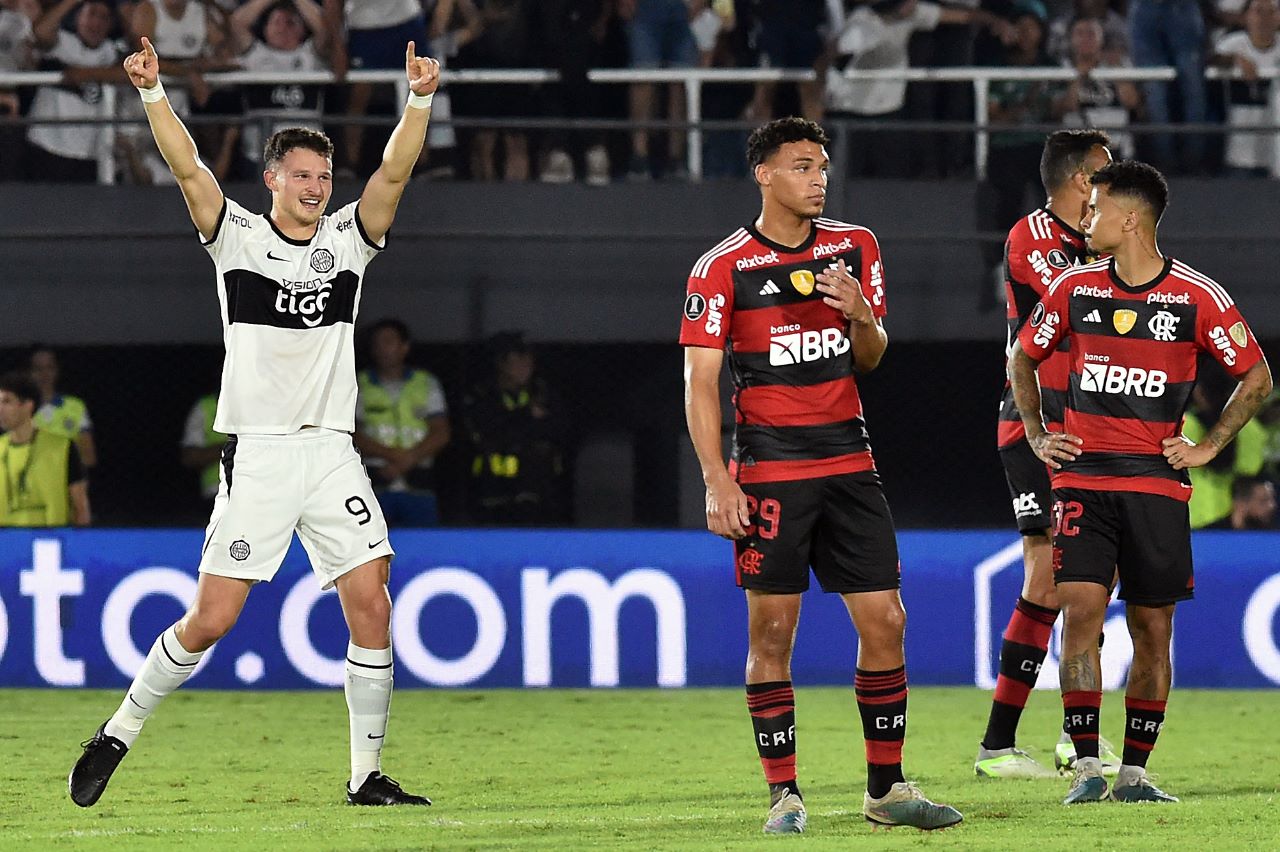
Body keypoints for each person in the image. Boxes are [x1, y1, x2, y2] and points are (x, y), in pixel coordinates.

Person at [68, 35, 440, 809]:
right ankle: (117, 732)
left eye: (323, 175)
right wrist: (150, 93)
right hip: (262, 455)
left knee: (373, 603)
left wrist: (419, 100)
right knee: (212, 619)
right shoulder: (235, 236)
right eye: (301, 174)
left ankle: (365, 776)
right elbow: (186, 168)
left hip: (333, 452)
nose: (316, 186)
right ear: (271, 179)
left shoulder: (348, 242)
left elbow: (395, 172)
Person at [680, 117, 962, 834]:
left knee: (887, 621)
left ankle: (886, 791)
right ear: (764, 174)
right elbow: (700, 382)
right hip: (771, 471)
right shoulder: (723, 267)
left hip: (850, 462)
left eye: (823, 166)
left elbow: (870, 356)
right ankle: (785, 795)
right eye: (802, 165)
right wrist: (718, 480)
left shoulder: (854, 247)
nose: (818, 177)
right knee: (773, 632)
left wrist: (863, 316)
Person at [1009, 160, 1273, 804]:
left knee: (1154, 629)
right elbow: (1024, 356)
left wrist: (1209, 446)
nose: (1087, 219)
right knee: (1081, 614)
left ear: (1130, 219)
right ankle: (1089, 767)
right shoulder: (1074, 288)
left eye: (1096, 209)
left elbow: (1257, 375)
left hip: (1156, 485)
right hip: (1085, 483)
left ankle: (1135, 772)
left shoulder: (1195, 296)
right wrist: (1040, 433)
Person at [976, 129, 1118, 780]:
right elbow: (1085, 301)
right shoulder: (1030, 237)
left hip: (1088, 426)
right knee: (1046, 573)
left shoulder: (1104, 242)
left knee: (1091, 579)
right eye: (1106, 172)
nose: (1115, 183)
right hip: (1031, 424)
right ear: (1081, 181)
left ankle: (1073, 737)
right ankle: (998, 746)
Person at [461, 332, 569, 526]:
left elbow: (558, 430)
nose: (525, 367)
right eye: (517, 360)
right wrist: (526, 416)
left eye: (528, 360)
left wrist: (522, 425)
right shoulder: (481, 396)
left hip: (537, 490)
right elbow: (487, 433)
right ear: (500, 364)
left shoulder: (544, 394)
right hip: (493, 490)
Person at [354, 318, 450, 527]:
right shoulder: (359, 383)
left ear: (404, 347)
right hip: (374, 483)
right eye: (377, 343)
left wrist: (409, 459)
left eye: (389, 342)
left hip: (419, 483)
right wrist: (394, 457)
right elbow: (352, 434)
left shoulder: (425, 383)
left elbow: (441, 432)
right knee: (370, 549)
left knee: (423, 549)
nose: (383, 348)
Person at [25, 0, 123, 182]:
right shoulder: (61, 42)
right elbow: (40, 32)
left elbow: (133, 71)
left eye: (104, 18)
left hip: (88, 154)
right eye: (91, 14)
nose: (96, 24)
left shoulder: (111, 52)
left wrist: (86, 73)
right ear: (78, 17)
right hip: (47, 147)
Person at [0, 371, 91, 527]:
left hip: (51, 540)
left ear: (28, 405)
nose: (0, 409)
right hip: (6, 544)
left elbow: (80, 507)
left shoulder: (62, 447)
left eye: (7, 402)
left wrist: (79, 545)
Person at [1211, 0, 1280, 178]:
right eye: (1258, 12)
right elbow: (1212, 59)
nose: (1264, 18)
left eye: (1271, 12)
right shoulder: (1233, 43)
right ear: (1246, 16)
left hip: (1275, 156)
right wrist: (1235, 59)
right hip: (1239, 155)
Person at [30, 345, 96, 469]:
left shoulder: (75, 407)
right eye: (38, 369)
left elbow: (89, 457)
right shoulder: (17, 408)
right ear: (29, 372)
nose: (44, 374)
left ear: (57, 370)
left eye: (49, 367)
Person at [178, 389, 224, 502]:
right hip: (217, 493)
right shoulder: (205, 407)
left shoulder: (263, 405)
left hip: (260, 492)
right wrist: (228, 448)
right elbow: (189, 457)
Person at [1205, 475, 1277, 529]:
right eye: (1263, 501)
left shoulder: (1273, 537)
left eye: (1272, 500)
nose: (1272, 506)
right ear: (1240, 504)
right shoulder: (1208, 536)